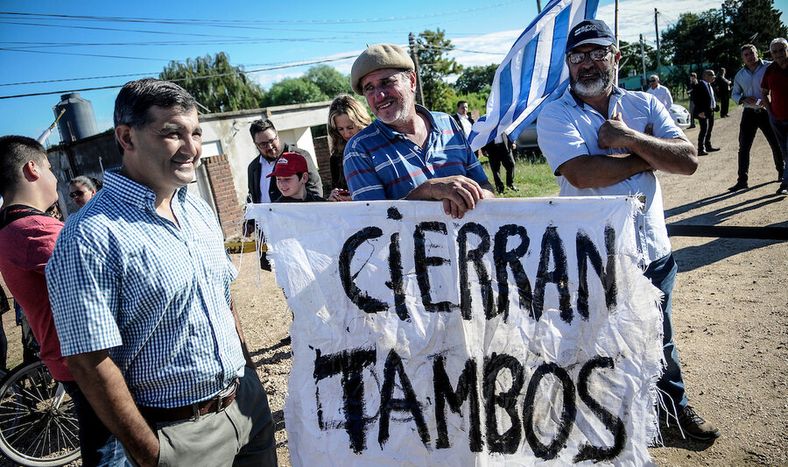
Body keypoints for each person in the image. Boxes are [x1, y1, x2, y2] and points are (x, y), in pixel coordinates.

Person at [45, 79, 276, 467]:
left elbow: (222, 299)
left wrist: (251, 379)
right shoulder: (89, 235)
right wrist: (151, 454)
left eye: (196, 132)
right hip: (177, 436)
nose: (191, 148)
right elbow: (88, 360)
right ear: (126, 137)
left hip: (246, 409)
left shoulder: (198, 209)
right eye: (172, 133)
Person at [536, 19, 720, 442]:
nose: (586, 64)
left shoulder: (644, 104)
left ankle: (674, 413)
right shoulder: (555, 113)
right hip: (592, 255)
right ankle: (605, 423)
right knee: (596, 340)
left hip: (653, 249)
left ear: (616, 58)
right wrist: (648, 154)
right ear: (567, 64)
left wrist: (627, 136)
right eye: (577, 57)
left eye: (597, 53)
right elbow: (581, 173)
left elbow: (688, 161)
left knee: (661, 337)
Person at [0, 135, 127, 466]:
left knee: (102, 443)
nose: (56, 178)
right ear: (32, 169)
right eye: (50, 168)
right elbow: (109, 275)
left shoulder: (11, 228)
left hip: (64, 357)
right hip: (88, 360)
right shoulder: (35, 230)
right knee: (111, 451)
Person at [345, 44, 495, 219]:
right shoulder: (359, 149)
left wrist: (475, 199)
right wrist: (429, 190)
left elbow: (485, 184)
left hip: (470, 244)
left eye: (387, 82)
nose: (379, 96)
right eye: (369, 88)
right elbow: (374, 223)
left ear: (412, 81)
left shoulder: (448, 123)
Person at [730, 44, 784, 191]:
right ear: (743, 58)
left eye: (751, 53)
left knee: (776, 143)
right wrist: (742, 99)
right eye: (746, 55)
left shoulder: (770, 67)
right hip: (749, 113)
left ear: (757, 53)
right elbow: (734, 93)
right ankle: (742, 180)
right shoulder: (740, 75)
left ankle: (782, 173)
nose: (749, 56)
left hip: (767, 111)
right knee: (744, 147)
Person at [246, 118, 323, 205]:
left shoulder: (299, 156)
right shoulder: (253, 167)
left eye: (272, 140)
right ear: (256, 144)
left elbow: (315, 190)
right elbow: (253, 198)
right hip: (263, 218)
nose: (270, 146)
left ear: (277, 135)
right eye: (263, 144)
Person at [327, 95, 370, 201]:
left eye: (350, 127)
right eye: (340, 129)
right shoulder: (336, 158)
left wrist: (356, 198)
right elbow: (337, 187)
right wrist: (333, 197)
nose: (346, 134)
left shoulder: (377, 146)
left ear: (361, 122)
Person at [762, 38, 788, 195]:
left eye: (781, 50)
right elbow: (764, 92)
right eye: (774, 51)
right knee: (784, 152)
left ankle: (785, 184)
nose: (778, 54)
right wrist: (769, 111)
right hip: (776, 118)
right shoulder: (770, 70)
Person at [691, 70, 721, 155]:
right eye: (712, 75)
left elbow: (710, 98)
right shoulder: (699, 85)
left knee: (709, 129)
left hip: (710, 111)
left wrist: (715, 106)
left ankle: (708, 146)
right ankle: (701, 149)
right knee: (704, 130)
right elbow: (696, 99)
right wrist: (700, 112)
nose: (714, 77)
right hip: (703, 112)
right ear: (705, 76)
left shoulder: (709, 85)